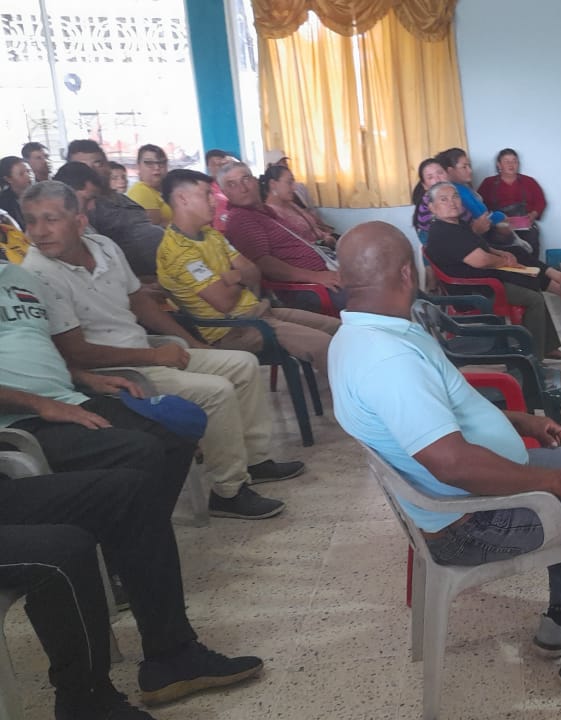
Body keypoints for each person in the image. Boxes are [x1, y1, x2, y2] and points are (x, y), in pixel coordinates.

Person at [330, 221, 561, 693]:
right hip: (471, 521)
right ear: (408, 273)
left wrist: (518, 420)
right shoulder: (389, 361)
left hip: (463, 496)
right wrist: (557, 482)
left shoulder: (364, 334)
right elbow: (453, 464)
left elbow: (445, 412)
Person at [0, 258, 265, 714]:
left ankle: (172, 656)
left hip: (64, 399)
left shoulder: (18, 277)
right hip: (24, 421)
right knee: (84, 524)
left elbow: (44, 350)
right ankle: (87, 700)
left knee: (153, 462)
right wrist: (39, 403)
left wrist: (82, 379)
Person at [20, 180, 297, 520]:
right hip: (113, 371)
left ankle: (255, 460)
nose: (39, 231)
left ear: (78, 222)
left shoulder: (104, 246)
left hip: (142, 348)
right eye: (30, 221)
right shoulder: (38, 273)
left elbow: (140, 303)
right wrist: (155, 356)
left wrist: (190, 344)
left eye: (50, 219)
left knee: (241, 365)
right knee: (216, 391)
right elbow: (77, 353)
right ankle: (228, 491)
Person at [156, 169, 340, 376]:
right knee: (325, 346)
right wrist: (239, 276)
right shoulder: (177, 250)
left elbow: (253, 272)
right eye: (206, 194)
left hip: (260, 312)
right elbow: (224, 302)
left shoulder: (210, 234)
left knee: (341, 329)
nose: (215, 201)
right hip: (235, 329)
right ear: (182, 199)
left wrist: (232, 278)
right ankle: (348, 394)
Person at [424, 182, 561, 361]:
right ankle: (535, 358)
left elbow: (479, 246)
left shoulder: (456, 225)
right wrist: (504, 262)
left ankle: (560, 285)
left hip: (482, 279)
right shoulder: (443, 232)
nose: (452, 202)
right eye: (444, 199)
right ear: (432, 207)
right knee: (533, 296)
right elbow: (480, 260)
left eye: (455, 196)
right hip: (475, 290)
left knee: (517, 253)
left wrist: (500, 253)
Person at [219, 162, 343, 312]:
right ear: (224, 192)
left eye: (245, 179)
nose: (243, 188)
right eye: (232, 184)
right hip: (303, 289)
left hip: (323, 273)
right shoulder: (241, 219)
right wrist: (315, 276)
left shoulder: (266, 212)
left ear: (255, 181)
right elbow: (263, 264)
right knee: (366, 298)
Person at [66, 139, 164, 279]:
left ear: (107, 166)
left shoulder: (121, 198)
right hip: (142, 277)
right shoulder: (83, 208)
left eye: (98, 163)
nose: (93, 171)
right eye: (83, 167)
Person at [477, 148, 546, 256]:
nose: (511, 165)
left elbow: (541, 201)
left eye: (514, 161)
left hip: (525, 228)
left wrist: (533, 214)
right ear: (499, 165)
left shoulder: (529, 181)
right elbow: (479, 206)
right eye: (507, 161)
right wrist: (495, 219)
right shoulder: (488, 183)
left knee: (530, 252)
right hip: (498, 228)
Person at [261, 164, 333, 248]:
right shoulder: (271, 213)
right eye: (289, 182)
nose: (294, 188)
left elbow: (313, 228)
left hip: (324, 246)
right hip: (310, 252)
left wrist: (326, 236)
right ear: (273, 184)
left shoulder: (291, 204)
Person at [125, 145, 172, 224]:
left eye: (161, 162)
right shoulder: (141, 190)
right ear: (138, 167)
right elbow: (153, 228)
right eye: (149, 163)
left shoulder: (161, 191)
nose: (157, 167)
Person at [410, 157, 451, 244]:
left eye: (440, 173)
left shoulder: (453, 193)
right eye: (430, 177)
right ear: (425, 185)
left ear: (448, 174)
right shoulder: (430, 201)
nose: (437, 180)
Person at [205, 149, 236, 232]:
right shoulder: (206, 188)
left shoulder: (236, 185)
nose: (218, 167)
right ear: (208, 166)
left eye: (222, 164)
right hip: (216, 233)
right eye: (214, 164)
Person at [1, 155, 34, 229]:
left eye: (29, 171)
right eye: (21, 174)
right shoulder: (3, 203)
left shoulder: (43, 192)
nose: (28, 176)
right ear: (8, 179)